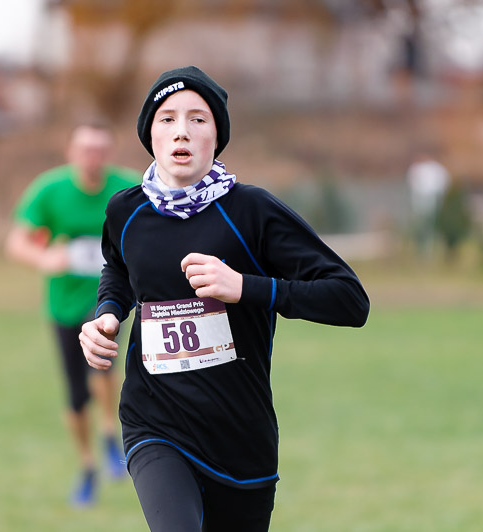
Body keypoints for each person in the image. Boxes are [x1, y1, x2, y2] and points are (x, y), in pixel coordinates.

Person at [79, 66, 370, 531]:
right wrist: (107, 314)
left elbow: (350, 300)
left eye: (198, 119)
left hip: (240, 439)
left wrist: (246, 287)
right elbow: (118, 268)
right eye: (167, 119)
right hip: (154, 424)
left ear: (217, 136)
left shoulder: (252, 211)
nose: (182, 131)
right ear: (150, 135)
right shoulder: (125, 211)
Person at [5, 122, 138, 507]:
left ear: (109, 153)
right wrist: (44, 258)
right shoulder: (50, 190)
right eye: (85, 149)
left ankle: (111, 431)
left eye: (100, 149)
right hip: (63, 303)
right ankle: (87, 466)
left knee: (103, 361)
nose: (92, 157)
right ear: (71, 153)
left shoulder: (129, 188)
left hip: (110, 299)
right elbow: (16, 242)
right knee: (76, 394)